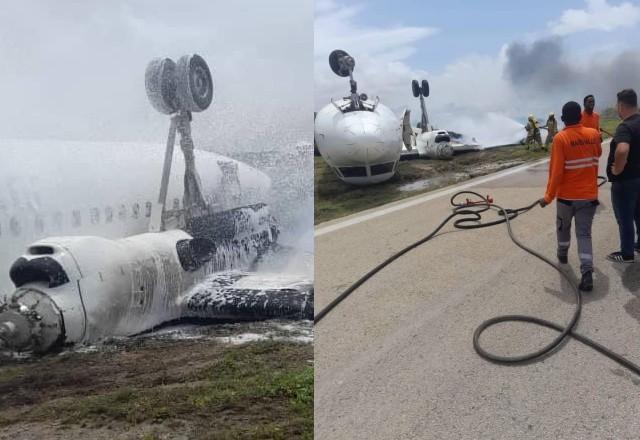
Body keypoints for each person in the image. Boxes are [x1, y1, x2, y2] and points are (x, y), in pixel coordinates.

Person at [539, 101, 601, 291]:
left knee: (563, 229)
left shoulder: (560, 139)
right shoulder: (593, 135)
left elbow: (556, 172)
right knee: (584, 234)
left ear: (563, 119)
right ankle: (587, 273)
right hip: (589, 197)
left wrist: (548, 197)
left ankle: (562, 255)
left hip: (566, 198)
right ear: (581, 117)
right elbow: (598, 153)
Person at [606, 88, 640, 263]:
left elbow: (622, 149)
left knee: (625, 218)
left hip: (626, 182)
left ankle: (627, 253)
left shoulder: (625, 126)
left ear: (621, 105)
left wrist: (618, 169)